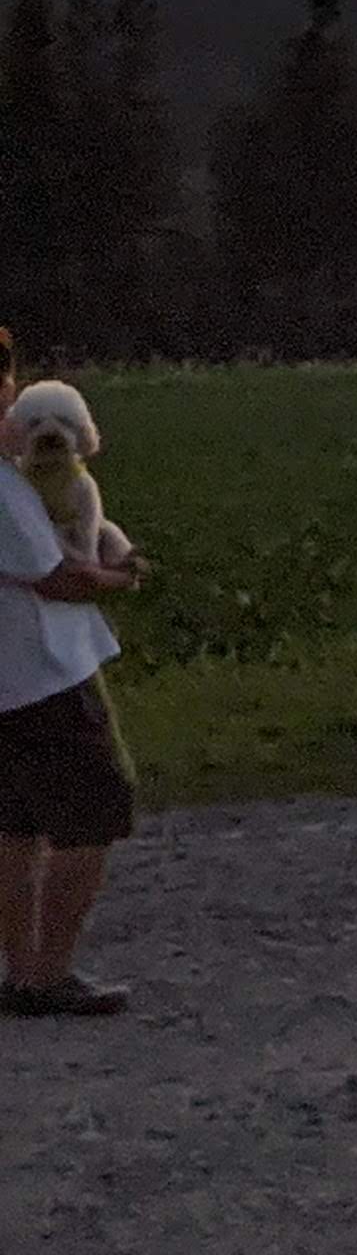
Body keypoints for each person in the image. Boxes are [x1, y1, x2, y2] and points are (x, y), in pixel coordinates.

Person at [0, 337, 145, 1017]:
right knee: (94, 810)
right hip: (43, 671)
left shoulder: (15, 471)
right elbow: (60, 578)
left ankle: (23, 970)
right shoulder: (3, 488)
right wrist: (122, 574)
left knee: (16, 823)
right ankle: (47, 973)